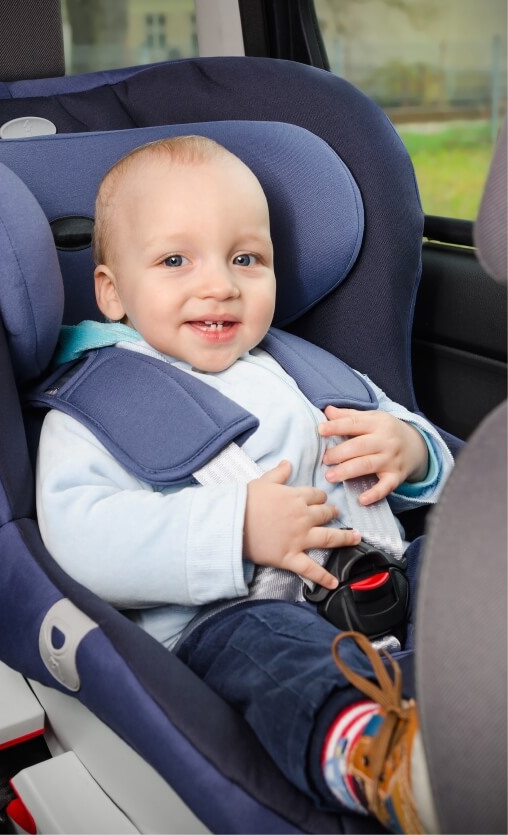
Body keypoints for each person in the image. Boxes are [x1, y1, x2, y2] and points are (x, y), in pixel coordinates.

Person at [36, 135, 453, 834]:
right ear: (111, 290)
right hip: (231, 614)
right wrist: (234, 528)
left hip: (379, 574)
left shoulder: (300, 364)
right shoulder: (98, 404)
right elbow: (80, 533)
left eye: (246, 259)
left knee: (464, 555)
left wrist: (409, 449)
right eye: (175, 260)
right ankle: (386, 760)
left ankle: (476, 697)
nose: (220, 285)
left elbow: (408, 434)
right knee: (272, 652)